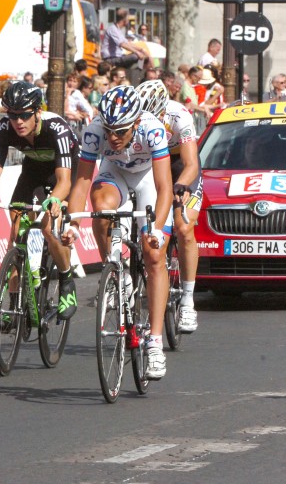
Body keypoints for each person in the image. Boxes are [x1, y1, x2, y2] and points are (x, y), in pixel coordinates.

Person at [64, 86, 172, 380]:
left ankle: (155, 343)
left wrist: (157, 229)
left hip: (148, 178)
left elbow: (164, 186)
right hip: (115, 173)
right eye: (109, 130)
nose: (113, 137)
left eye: (121, 131)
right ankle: (115, 270)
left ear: (136, 122)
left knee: (153, 255)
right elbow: (82, 182)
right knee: (101, 207)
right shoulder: (94, 131)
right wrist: (73, 224)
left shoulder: (152, 129)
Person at [0, 81, 79, 322]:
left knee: (48, 228)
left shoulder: (57, 128)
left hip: (64, 172)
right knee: (17, 231)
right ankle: (14, 301)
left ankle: (66, 280)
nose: (18, 121)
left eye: (24, 115)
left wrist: (55, 199)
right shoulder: (3, 130)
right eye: (13, 115)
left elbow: (64, 182)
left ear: (37, 112)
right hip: (33, 170)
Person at [136, 79, 202, 333]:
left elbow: (191, 164)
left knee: (184, 227)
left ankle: (187, 299)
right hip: (151, 164)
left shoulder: (179, 116)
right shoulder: (136, 117)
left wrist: (181, 185)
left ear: (163, 111)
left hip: (179, 164)